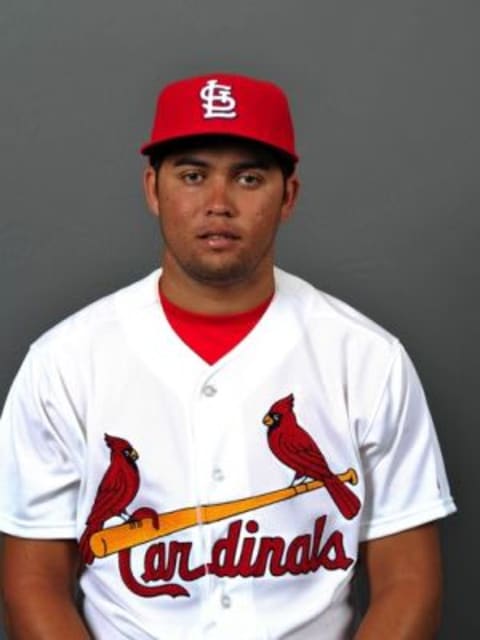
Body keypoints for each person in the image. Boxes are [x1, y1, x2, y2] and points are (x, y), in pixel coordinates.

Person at [0, 73, 456, 639]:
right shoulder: (64, 362)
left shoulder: (367, 358)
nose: (218, 203)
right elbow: (32, 582)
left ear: (287, 195)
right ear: (153, 189)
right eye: (193, 175)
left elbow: (408, 582)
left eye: (248, 177)